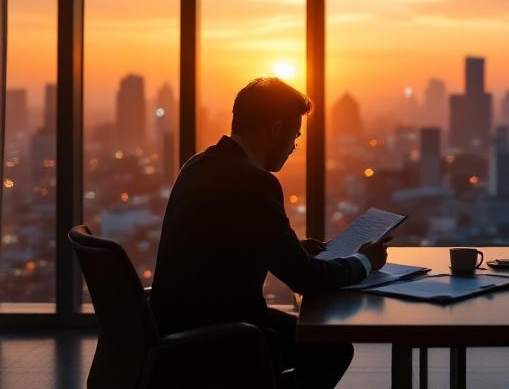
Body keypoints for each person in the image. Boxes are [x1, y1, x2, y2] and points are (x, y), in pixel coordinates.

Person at [150, 77, 389, 389]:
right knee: (331, 349)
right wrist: (364, 261)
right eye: (294, 136)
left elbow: (228, 244)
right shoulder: (254, 182)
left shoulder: (199, 165)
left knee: (317, 339)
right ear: (276, 129)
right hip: (222, 336)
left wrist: (292, 248)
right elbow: (307, 280)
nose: (293, 146)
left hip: (177, 326)